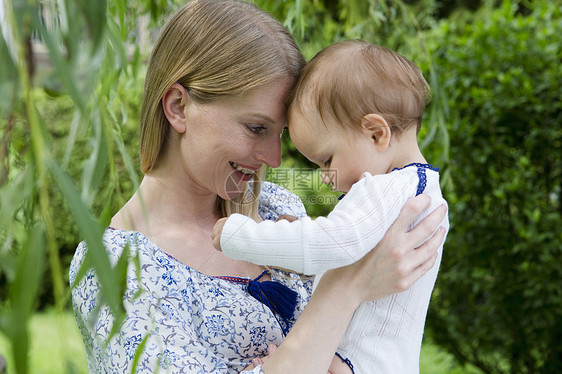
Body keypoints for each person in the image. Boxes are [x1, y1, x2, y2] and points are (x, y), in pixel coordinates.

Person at [69, 1, 447, 373]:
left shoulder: (274, 206)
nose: (274, 158)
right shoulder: (113, 268)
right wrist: (349, 286)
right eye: (256, 128)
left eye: (280, 134)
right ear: (179, 107)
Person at [212, 40, 449, 373]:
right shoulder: (424, 192)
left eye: (326, 160)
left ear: (376, 134)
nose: (325, 176)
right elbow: (354, 254)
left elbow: (331, 244)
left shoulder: (383, 190)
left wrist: (240, 235)